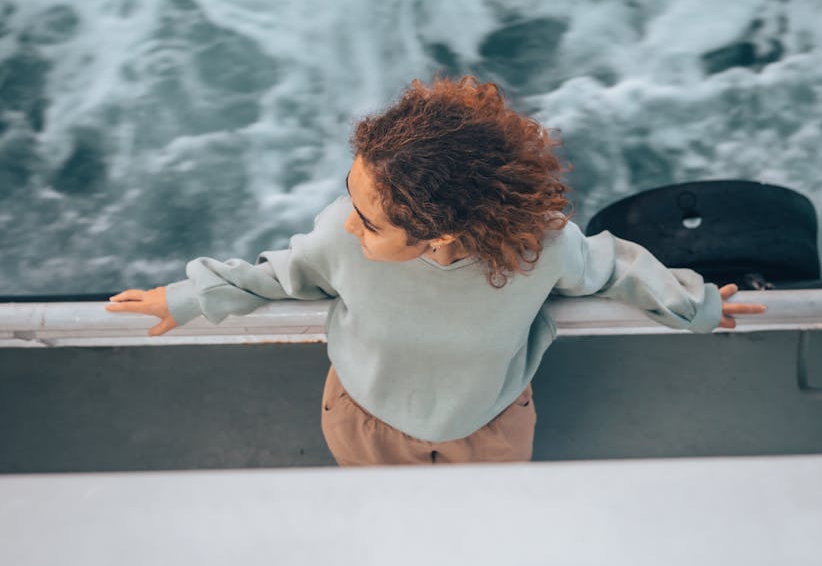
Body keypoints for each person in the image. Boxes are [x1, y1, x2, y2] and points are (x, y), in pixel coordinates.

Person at [106, 75, 766, 465]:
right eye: (350, 198)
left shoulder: (540, 248)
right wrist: (183, 298)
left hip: (491, 424)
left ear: (442, 233)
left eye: (371, 223)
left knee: (480, 532)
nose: (348, 225)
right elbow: (271, 276)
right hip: (366, 419)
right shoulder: (338, 237)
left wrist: (696, 304)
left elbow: (615, 264)